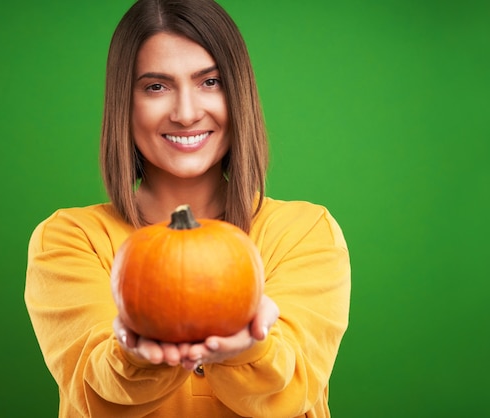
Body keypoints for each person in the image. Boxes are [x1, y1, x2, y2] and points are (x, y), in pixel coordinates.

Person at [25, 0, 351, 417]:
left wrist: (250, 351)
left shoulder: (305, 232)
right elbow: (95, 396)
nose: (186, 113)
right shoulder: (70, 239)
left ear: (239, 92)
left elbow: (292, 394)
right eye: (156, 87)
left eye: (210, 82)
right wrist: (137, 357)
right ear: (125, 103)